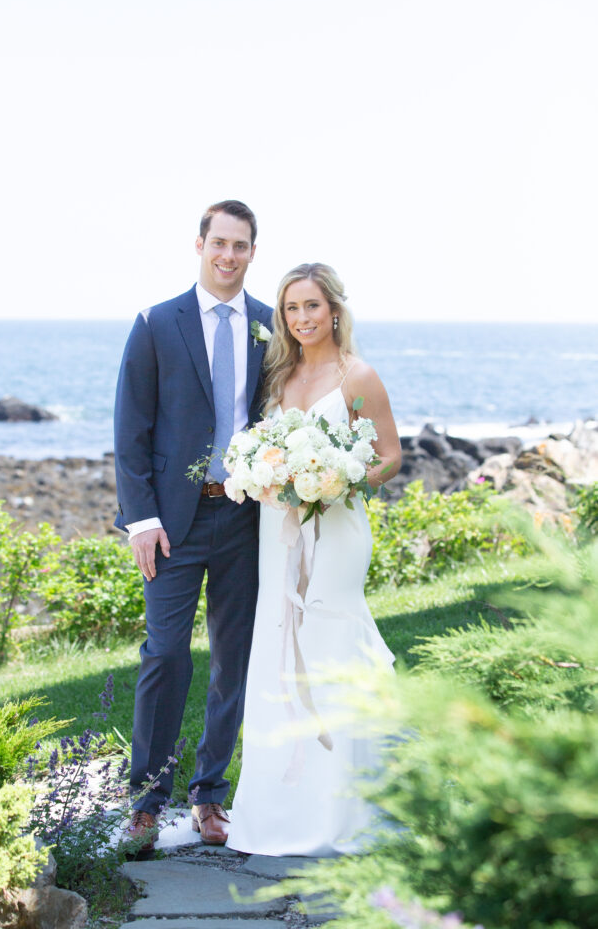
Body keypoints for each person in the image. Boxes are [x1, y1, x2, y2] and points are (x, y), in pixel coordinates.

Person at [227, 262, 401, 857]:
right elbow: (263, 450)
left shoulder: (358, 375)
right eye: (291, 309)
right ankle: (279, 809)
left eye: (311, 306)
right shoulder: (278, 377)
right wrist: (269, 477)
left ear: (333, 310)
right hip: (279, 534)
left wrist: (335, 484)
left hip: (339, 529)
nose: (301, 319)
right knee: (276, 642)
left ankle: (344, 807)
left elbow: (390, 456)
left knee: (330, 637)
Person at [113, 200, 272, 851]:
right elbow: (131, 430)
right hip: (172, 523)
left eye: (240, 246)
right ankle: (147, 800)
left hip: (244, 517)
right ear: (199, 245)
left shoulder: (269, 325)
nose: (228, 256)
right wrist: (141, 519)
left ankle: (209, 795)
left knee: (234, 660)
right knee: (165, 654)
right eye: (219, 244)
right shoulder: (156, 323)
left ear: (252, 252)